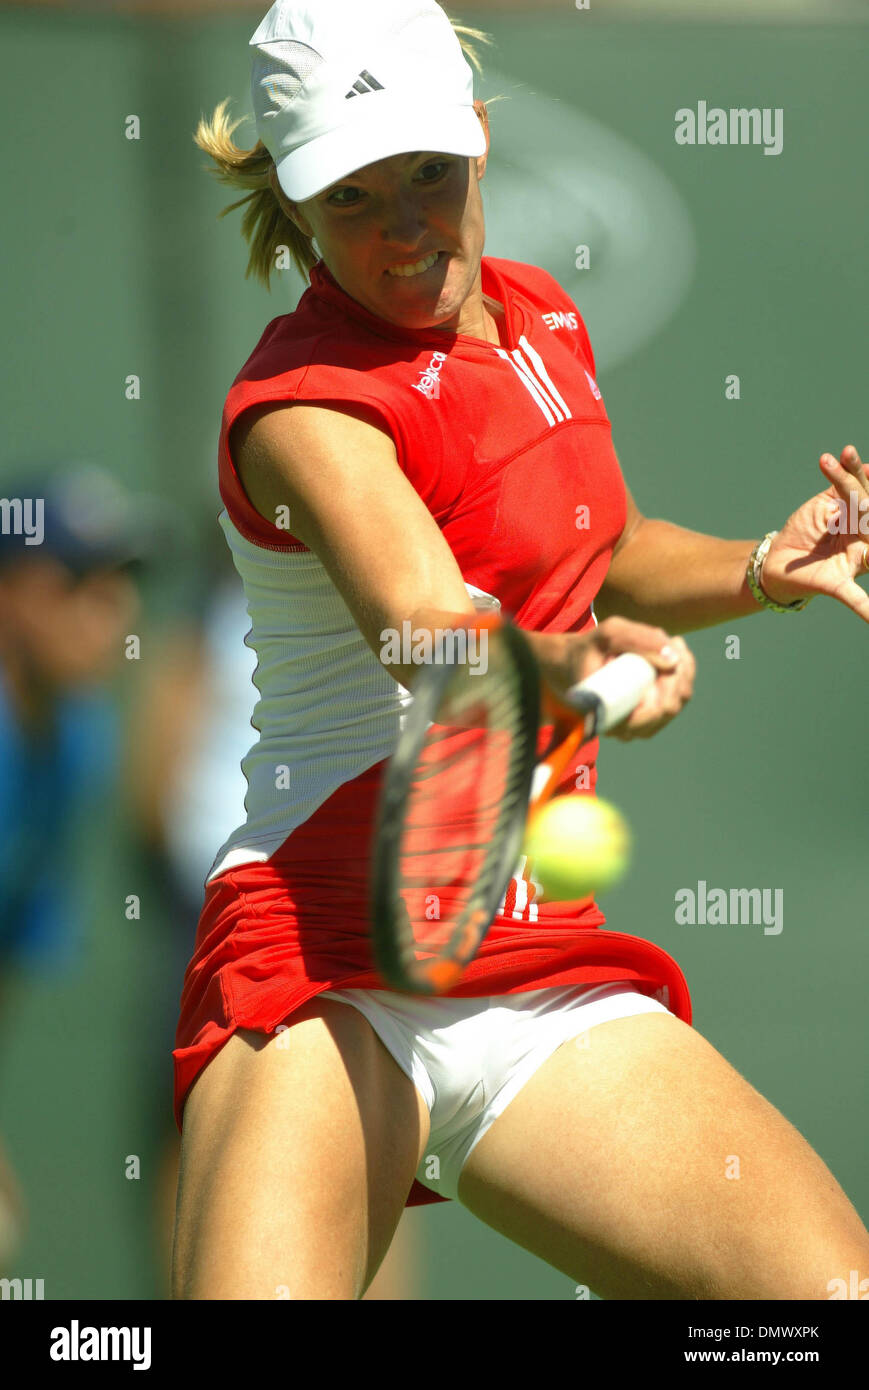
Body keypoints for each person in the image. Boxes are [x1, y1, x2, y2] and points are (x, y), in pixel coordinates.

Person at [171, 0, 869, 1301]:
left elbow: (604, 540)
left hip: (532, 955)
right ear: (297, 206)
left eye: (430, 172)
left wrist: (761, 571)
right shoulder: (306, 406)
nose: (404, 226)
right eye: (353, 196)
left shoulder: (540, 315)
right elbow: (430, 627)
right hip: (324, 965)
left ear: (480, 142)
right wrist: (567, 664)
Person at [0, 463, 147, 1272]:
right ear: (11, 596)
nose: (115, 612)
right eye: (80, 584)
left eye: (123, 585)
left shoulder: (82, 741)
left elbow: (9, 953)